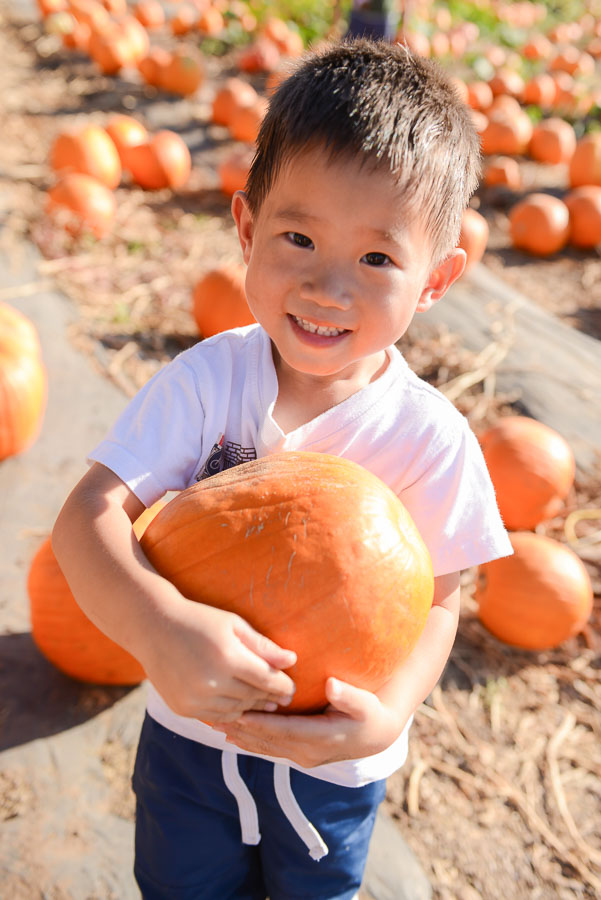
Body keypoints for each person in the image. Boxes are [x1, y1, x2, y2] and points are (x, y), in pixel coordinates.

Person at [52, 38, 513, 900]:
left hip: (332, 767)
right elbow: (88, 518)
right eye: (297, 237)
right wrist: (156, 628)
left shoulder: (429, 438)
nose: (328, 287)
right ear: (245, 228)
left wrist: (388, 714)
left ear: (436, 279)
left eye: (377, 259)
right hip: (190, 743)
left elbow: (440, 602)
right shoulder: (204, 382)